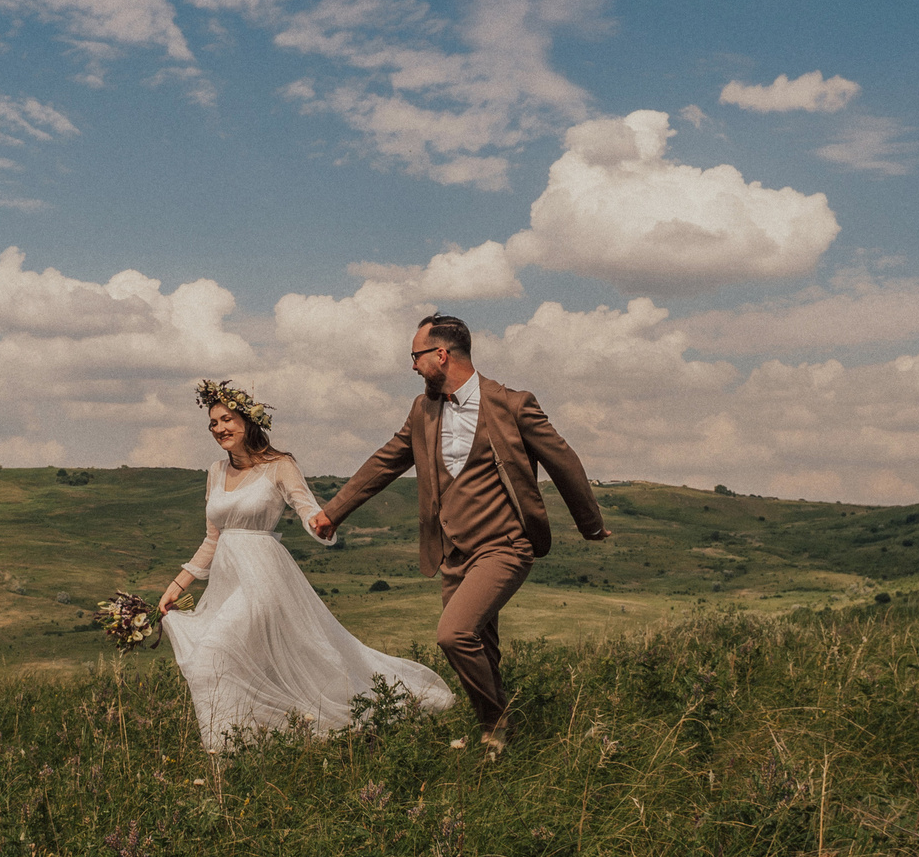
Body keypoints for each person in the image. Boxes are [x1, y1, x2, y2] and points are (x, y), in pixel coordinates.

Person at [311, 315, 609, 757]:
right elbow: (385, 462)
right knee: (482, 648)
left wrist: (591, 524)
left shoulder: (511, 404)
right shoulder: (423, 408)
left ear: (441, 355)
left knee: (453, 634)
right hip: (453, 553)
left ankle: (495, 725)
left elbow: (563, 461)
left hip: (505, 545)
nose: (412, 366)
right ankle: (503, 742)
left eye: (415, 356)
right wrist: (333, 512)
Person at [158, 379, 455, 751]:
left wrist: (324, 525)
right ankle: (248, 742)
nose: (219, 429)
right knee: (235, 664)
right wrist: (177, 585)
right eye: (213, 423)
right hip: (226, 582)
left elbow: (308, 510)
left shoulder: (279, 466)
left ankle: (224, 751)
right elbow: (212, 539)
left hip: (262, 580)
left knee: (211, 656)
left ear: (248, 421)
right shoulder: (216, 472)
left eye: (226, 419)